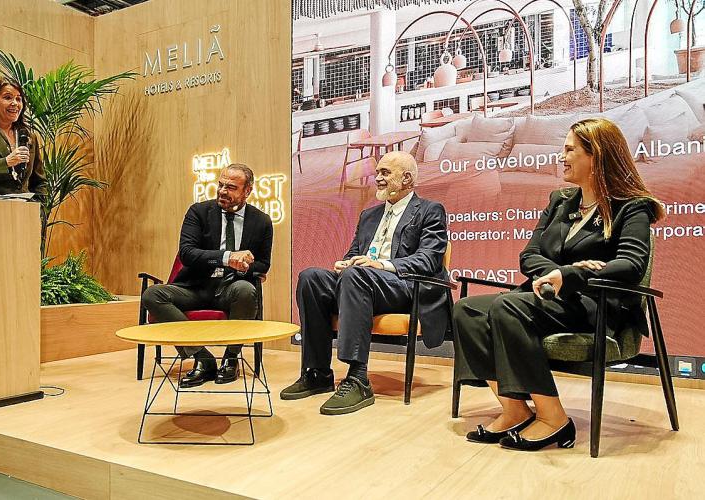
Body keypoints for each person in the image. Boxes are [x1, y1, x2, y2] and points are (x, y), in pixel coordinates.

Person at [452, 117, 665, 451]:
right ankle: (514, 409)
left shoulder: (631, 206)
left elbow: (631, 264)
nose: (561, 156)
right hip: (550, 298)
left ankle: (554, 419)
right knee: (467, 310)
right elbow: (529, 255)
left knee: (509, 306)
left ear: (596, 156)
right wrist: (558, 273)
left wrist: (570, 276)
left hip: (594, 305)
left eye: (569, 150)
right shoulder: (560, 200)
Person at [281, 151, 449, 415]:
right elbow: (355, 253)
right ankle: (317, 372)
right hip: (362, 282)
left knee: (356, 276)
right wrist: (346, 263)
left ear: (406, 179)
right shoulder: (369, 215)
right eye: (378, 172)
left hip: (405, 286)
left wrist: (382, 265)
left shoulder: (430, 210)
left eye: (385, 173)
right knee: (311, 277)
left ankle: (358, 378)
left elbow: (428, 260)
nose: (377, 178)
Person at [142, 164, 273, 388]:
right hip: (195, 287)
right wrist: (227, 257)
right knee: (152, 295)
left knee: (246, 290)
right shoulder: (199, 212)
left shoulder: (261, 221)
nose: (223, 191)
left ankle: (231, 359)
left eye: (231, 187)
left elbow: (263, 263)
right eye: (221, 185)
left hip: (231, 288)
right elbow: (187, 253)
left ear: (247, 191)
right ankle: (202, 357)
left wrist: (244, 267)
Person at [0, 76, 45, 196]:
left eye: (18, 99)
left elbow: (40, 182)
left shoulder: (28, 136)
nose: (15, 103)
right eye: (7, 97)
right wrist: (6, 163)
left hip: (23, 206)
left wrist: (39, 206)